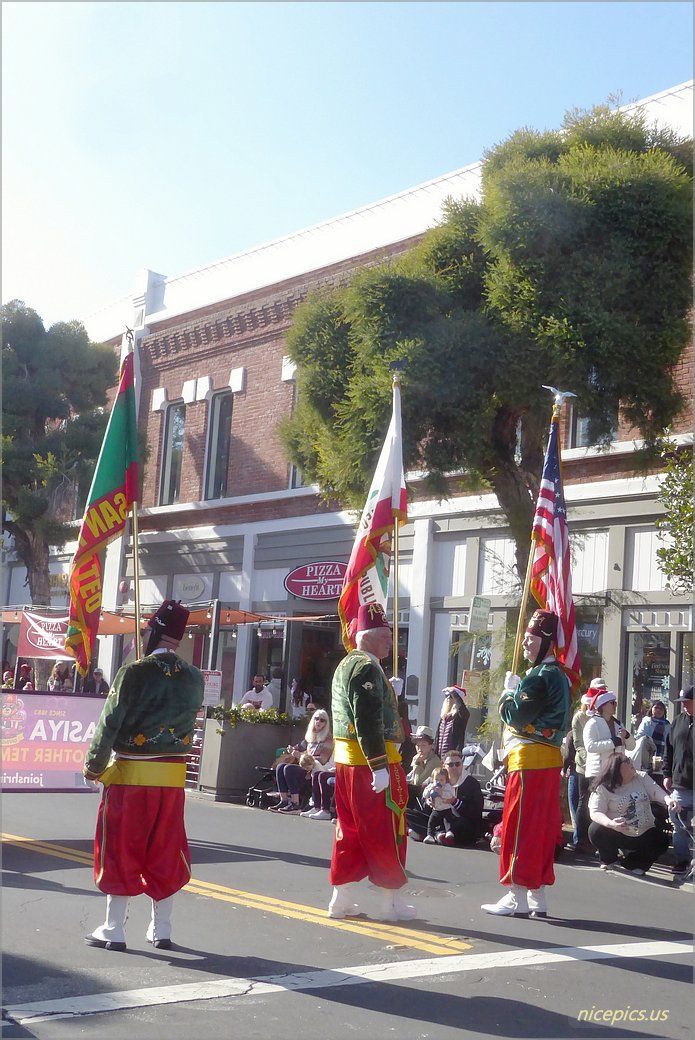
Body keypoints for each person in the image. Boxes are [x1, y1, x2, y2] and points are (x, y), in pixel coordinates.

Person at [83, 600, 204, 952]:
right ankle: (161, 928)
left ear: (155, 632)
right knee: (165, 848)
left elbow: (109, 723)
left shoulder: (133, 672)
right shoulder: (194, 677)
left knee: (121, 848)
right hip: (172, 780)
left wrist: (94, 766)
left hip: (131, 776)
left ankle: (113, 928)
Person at [328, 603, 415, 923]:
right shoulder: (366, 668)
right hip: (371, 764)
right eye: (385, 636)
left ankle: (341, 899)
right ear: (367, 636)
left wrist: (390, 693)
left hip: (349, 764)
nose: (391, 642)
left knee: (350, 832)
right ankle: (390, 903)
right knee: (386, 832)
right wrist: (379, 765)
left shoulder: (348, 664)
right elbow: (366, 720)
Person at [481, 609, 571, 919]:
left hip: (529, 763)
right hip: (547, 763)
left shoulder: (540, 676)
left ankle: (516, 894)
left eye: (531, 639)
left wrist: (508, 694)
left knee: (519, 827)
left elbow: (516, 716)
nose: (524, 644)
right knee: (541, 829)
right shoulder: (560, 676)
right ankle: (537, 895)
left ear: (546, 642)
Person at [588, 754, 670, 874]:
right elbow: (595, 812)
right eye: (626, 761)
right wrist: (611, 824)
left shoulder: (641, 777)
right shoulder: (603, 787)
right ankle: (609, 858)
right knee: (595, 830)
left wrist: (668, 800)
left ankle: (634, 863)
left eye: (629, 759)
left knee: (662, 840)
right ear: (616, 768)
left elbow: (655, 791)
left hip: (643, 831)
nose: (631, 762)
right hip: (617, 831)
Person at [270, 708, 334, 814]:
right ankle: (284, 800)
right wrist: (291, 749)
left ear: (326, 723)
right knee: (281, 767)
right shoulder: (310, 736)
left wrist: (301, 756)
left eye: (322, 720)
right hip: (304, 767)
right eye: (316, 719)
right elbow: (298, 747)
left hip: (314, 770)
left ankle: (295, 803)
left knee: (289, 768)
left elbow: (322, 760)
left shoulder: (328, 739)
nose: (318, 722)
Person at [571, 678, 607, 852]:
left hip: (602, 766)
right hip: (585, 766)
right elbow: (579, 744)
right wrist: (590, 759)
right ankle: (580, 839)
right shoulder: (580, 717)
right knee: (583, 801)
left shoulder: (605, 716)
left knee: (599, 803)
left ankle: (597, 840)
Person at [663, 685, 693, 876]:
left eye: (687, 702)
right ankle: (682, 861)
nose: (684, 706)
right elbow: (668, 750)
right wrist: (667, 774)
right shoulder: (677, 722)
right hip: (680, 784)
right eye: (682, 702)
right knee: (678, 824)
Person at [584, 690, 635, 780]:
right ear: (602, 706)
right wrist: (613, 742)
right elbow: (590, 747)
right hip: (597, 773)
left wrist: (627, 736)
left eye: (615, 702)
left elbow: (631, 747)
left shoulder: (618, 724)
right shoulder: (592, 723)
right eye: (612, 703)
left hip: (616, 772)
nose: (615, 705)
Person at [434, 686, 470, 759]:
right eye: (447, 696)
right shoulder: (443, 718)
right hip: (439, 758)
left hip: (453, 759)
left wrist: (454, 693)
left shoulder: (459, 717)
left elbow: (462, 710)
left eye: (451, 696)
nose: (448, 698)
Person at [422, 766, 456, 844]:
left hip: (446, 808)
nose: (439, 782)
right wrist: (430, 790)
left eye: (441, 780)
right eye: (436, 779)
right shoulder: (431, 786)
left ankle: (449, 832)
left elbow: (451, 796)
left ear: (446, 780)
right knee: (431, 821)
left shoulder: (448, 787)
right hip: (436, 809)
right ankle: (430, 835)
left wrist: (442, 793)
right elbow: (425, 795)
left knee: (448, 820)